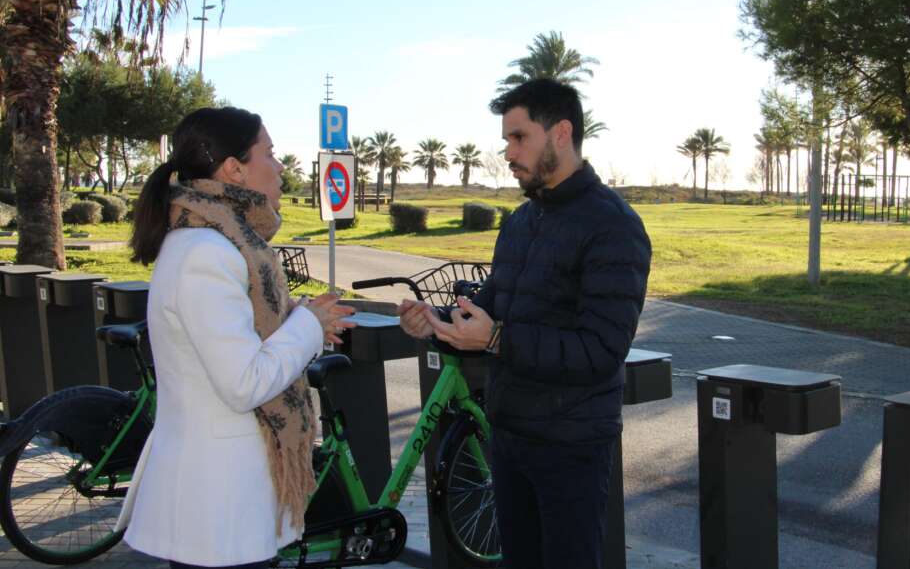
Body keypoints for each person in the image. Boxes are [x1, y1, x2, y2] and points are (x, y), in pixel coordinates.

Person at [398, 78, 652, 569]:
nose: (508, 153)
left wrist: (496, 338)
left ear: (561, 133)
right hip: (509, 436)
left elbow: (601, 350)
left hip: (571, 447)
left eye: (519, 138)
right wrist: (435, 324)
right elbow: (489, 311)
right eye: (506, 140)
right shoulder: (520, 223)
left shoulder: (613, 226)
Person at [119, 107, 354, 569]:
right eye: (269, 152)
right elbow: (244, 382)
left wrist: (301, 320)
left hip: (223, 507)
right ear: (234, 169)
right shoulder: (207, 253)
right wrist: (308, 326)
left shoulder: (214, 243)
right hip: (218, 509)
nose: (280, 166)